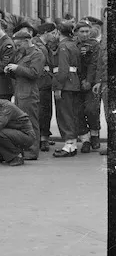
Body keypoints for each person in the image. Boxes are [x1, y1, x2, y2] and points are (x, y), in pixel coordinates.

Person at [4, 25, 44, 160]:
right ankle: (25, 148)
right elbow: (21, 75)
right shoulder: (24, 54)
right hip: (20, 92)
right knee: (22, 123)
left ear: (27, 41)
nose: (17, 48)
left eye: (19, 44)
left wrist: (17, 68)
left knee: (31, 122)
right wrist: (11, 72)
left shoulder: (37, 54)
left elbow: (34, 73)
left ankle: (32, 151)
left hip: (29, 93)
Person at [51, 22, 82, 158]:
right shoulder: (73, 45)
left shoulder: (63, 46)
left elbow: (62, 70)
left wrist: (58, 87)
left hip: (64, 85)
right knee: (72, 114)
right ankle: (72, 144)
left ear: (59, 32)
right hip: (73, 83)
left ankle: (69, 145)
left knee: (64, 115)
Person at [75, 23, 101, 153]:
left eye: (87, 31)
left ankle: (95, 134)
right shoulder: (73, 44)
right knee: (78, 111)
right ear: (76, 32)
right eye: (82, 31)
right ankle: (85, 139)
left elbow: (94, 64)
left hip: (90, 83)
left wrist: (89, 81)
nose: (85, 34)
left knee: (91, 109)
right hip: (75, 83)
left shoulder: (95, 45)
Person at [33, 22, 57, 151]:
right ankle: (43, 139)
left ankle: (43, 137)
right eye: (52, 33)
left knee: (44, 111)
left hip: (43, 83)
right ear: (45, 33)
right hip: (41, 83)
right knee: (43, 111)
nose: (54, 36)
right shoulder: (39, 46)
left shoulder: (43, 45)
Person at [93, 21, 109, 156]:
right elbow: (100, 63)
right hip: (105, 83)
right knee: (109, 115)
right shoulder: (105, 39)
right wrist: (98, 81)